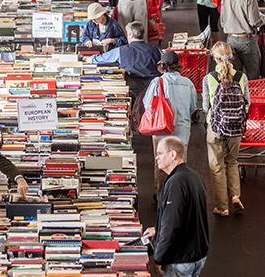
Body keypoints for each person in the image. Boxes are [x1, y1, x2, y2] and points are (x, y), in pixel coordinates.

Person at [143, 138, 210, 277]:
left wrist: (159, 257)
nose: (156, 157)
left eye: (159, 154)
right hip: (197, 254)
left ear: (173, 154)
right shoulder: (193, 177)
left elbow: (171, 227)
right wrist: (157, 228)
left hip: (180, 257)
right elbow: (186, 216)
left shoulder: (175, 184)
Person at [202, 43, 249, 216]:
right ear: (231, 56)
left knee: (217, 166)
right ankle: (235, 196)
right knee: (232, 161)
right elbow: (247, 103)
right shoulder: (242, 77)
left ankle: (222, 207)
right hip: (236, 127)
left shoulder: (209, 78)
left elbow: (205, 105)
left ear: (214, 58)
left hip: (216, 127)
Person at [144, 52, 198, 194]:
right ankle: (178, 194)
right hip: (182, 132)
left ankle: (161, 194)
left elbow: (147, 105)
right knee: (180, 165)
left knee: (161, 165)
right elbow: (192, 107)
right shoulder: (188, 83)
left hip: (161, 131)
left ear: (162, 65)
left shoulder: (157, 82)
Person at [90, 21, 161, 96]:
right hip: (153, 90)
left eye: (127, 34)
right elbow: (164, 64)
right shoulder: (155, 50)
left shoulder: (120, 51)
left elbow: (102, 59)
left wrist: (87, 58)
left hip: (132, 91)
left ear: (131, 35)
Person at [219, 0, 264, 80]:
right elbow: (254, 21)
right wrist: (262, 21)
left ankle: (238, 95)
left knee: (234, 75)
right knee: (253, 74)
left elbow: (222, 21)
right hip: (246, 41)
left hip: (230, 40)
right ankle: (252, 96)